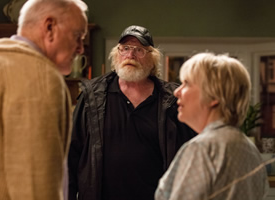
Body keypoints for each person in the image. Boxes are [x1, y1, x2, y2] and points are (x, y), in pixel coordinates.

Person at [68, 25, 196, 200]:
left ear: (152, 59)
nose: (130, 55)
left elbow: (189, 159)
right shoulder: (92, 97)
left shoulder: (171, 100)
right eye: (125, 48)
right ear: (116, 55)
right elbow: (71, 155)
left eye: (139, 50)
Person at [0, 0, 88, 200]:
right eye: (77, 36)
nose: (80, 49)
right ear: (50, 27)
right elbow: (35, 183)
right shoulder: (40, 77)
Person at [155, 53, 269, 200]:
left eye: (187, 83)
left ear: (214, 96)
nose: (177, 92)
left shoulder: (203, 149)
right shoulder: (250, 149)